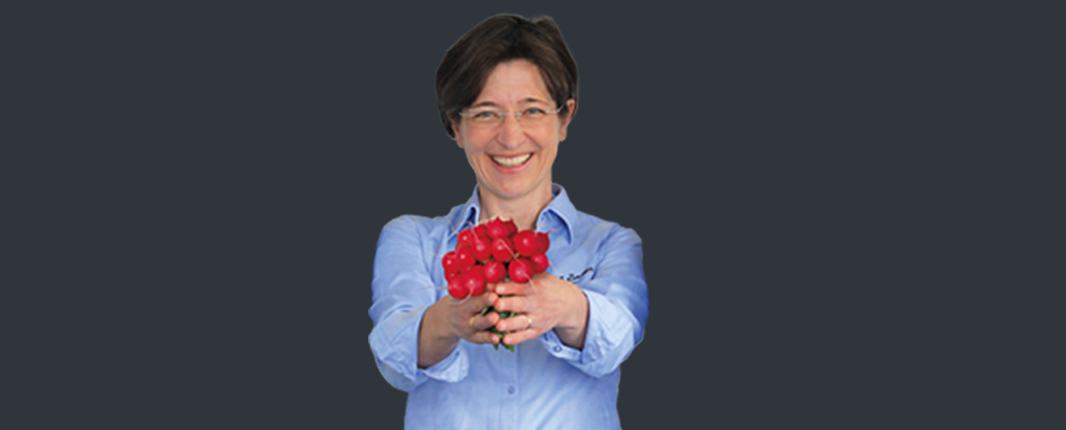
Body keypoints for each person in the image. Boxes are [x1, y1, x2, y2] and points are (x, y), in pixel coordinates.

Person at [368, 14, 649, 429]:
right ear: (455, 126)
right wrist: (451, 318)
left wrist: (564, 306)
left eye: (532, 110)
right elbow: (393, 359)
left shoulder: (612, 243)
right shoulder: (410, 238)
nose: (511, 137)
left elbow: (618, 340)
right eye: (485, 114)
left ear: (565, 118)